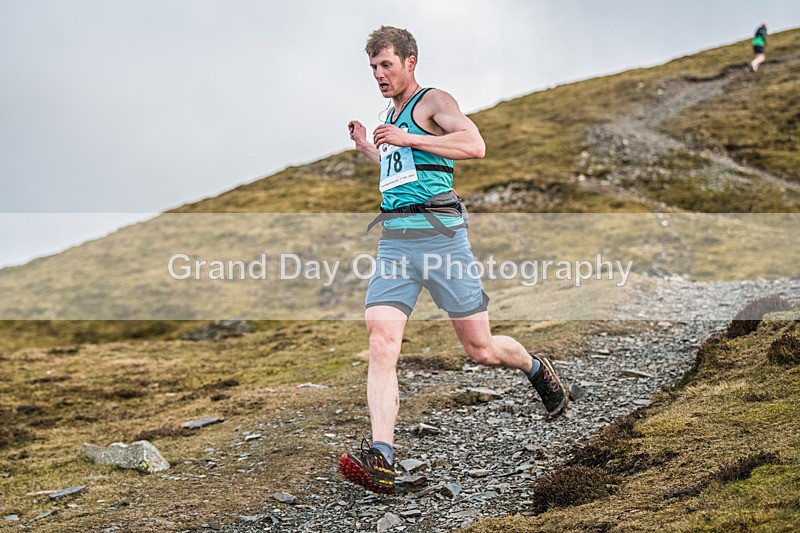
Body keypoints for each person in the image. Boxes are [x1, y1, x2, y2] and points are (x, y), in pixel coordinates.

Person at [338, 26, 569, 495]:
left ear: (410, 61)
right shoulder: (394, 114)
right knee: (381, 341)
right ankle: (382, 455)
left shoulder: (432, 101)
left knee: (480, 350)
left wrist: (409, 139)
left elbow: (474, 145)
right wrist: (372, 149)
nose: (379, 75)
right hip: (395, 244)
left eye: (386, 65)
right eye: (373, 68)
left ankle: (535, 367)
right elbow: (404, 169)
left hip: (443, 239)